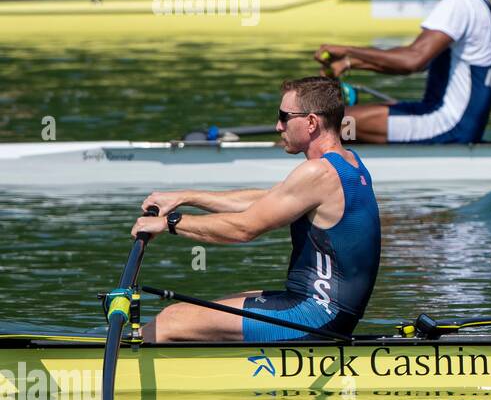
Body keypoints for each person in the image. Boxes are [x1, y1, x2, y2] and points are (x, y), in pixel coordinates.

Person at [132, 77, 381, 342]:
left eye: (284, 117)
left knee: (172, 320)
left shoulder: (317, 173)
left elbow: (244, 229)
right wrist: (186, 197)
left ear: (310, 122)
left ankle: (112, 366)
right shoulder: (348, 161)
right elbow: (267, 199)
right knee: (213, 306)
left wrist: (170, 223)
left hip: (317, 315)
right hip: (328, 310)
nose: (278, 126)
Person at [316, 0, 491, 144]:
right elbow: (415, 63)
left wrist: (348, 50)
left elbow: (413, 60)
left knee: (327, 123)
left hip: (446, 125)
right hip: (447, 119)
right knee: (344, 122)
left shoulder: (458, 3)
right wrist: (351, 63)